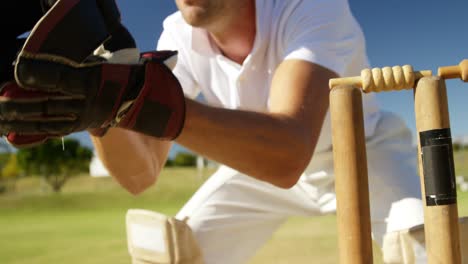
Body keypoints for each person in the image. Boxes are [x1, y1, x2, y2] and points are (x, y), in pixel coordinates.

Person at [3, 0, 427, 263]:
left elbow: (287, 153)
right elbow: (140, 174)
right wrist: (101, 115)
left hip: (361, 152)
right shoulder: (178, 34)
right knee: (169, 252)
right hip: (254, 168)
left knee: (431, 246)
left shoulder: (309, 5)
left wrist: (138, 100)